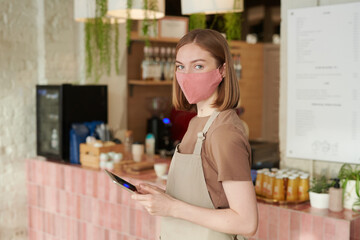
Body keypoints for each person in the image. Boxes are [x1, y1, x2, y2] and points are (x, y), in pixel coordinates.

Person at [132, 29, 258, 240]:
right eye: (181, 66)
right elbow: (207, 196)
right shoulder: (195, 124)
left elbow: (246, 222)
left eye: (198, 66)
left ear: (223, 69)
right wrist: (164, 199)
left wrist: (172, 208)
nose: (187, 75)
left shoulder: (224, 133)